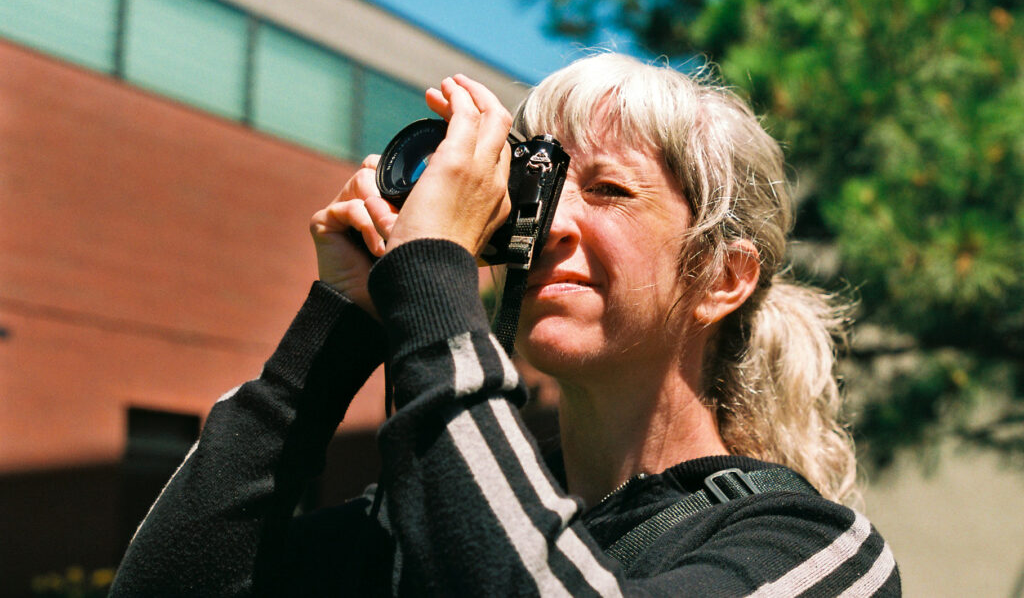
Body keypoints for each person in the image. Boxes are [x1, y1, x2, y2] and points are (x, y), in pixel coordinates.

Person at [111, 53, 900, 596]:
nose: (549, 223)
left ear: (723, 278)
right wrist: (341, 328)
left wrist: (430, 278)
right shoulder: (441, 506)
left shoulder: (815, 553)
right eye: (540, 188)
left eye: (612, 191)